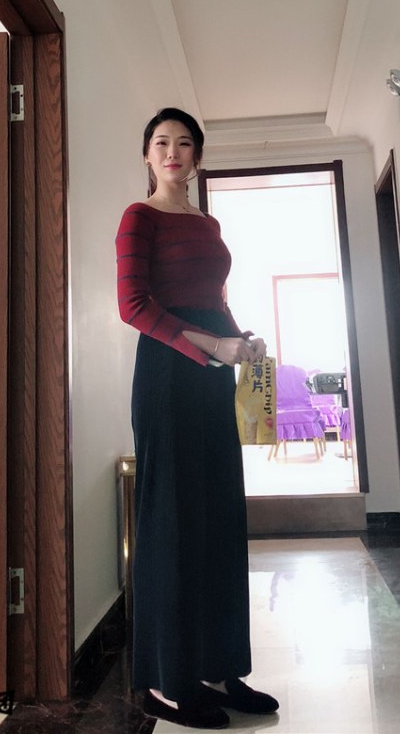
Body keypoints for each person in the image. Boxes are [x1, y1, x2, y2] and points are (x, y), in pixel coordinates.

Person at [116, 108, 280, 730]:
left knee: (219, 516)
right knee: (172, 521)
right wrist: (212, 346)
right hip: (167, 374)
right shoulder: (139, 217)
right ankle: (167, 680)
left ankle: (220, 668)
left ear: (197, 157)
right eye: (161, 142)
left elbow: (213, 300)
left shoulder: (208, 224)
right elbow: (133, 305)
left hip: (212, 376)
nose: (173, 151)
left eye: (184, 143)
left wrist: (241, 339)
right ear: (147, 155)